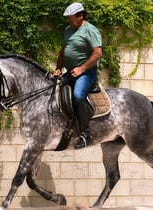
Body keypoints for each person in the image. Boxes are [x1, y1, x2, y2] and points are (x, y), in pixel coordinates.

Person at [53, 2, 103, 149]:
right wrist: (58, 68)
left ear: (80, 16)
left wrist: (82, 68)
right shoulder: (68, 29)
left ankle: (86, 134)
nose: (69, 20)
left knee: (78, 96)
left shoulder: (90, 30)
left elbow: (98, 53)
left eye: (71, 17)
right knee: (55, 91)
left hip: (87, 72)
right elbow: (64, 51)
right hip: (71, 72)